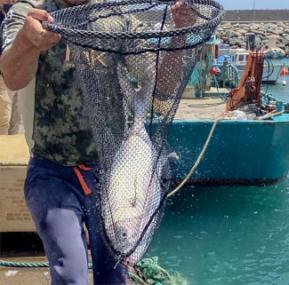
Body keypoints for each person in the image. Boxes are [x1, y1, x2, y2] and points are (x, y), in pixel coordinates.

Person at [0, 0, 194, 284]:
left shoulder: (116, 19)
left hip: (114, 175)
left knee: (113, 276)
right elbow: (13, 78)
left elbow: (162, 86)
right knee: (70, 274)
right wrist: (27, 42)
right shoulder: (29, 14)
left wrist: (179, 34)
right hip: (51, 171)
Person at [0, 0, 24, 135]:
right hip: (2, 76)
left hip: (20, 74)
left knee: (18, 120)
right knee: (3, 119)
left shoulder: (21, 12)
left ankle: (12, 155)